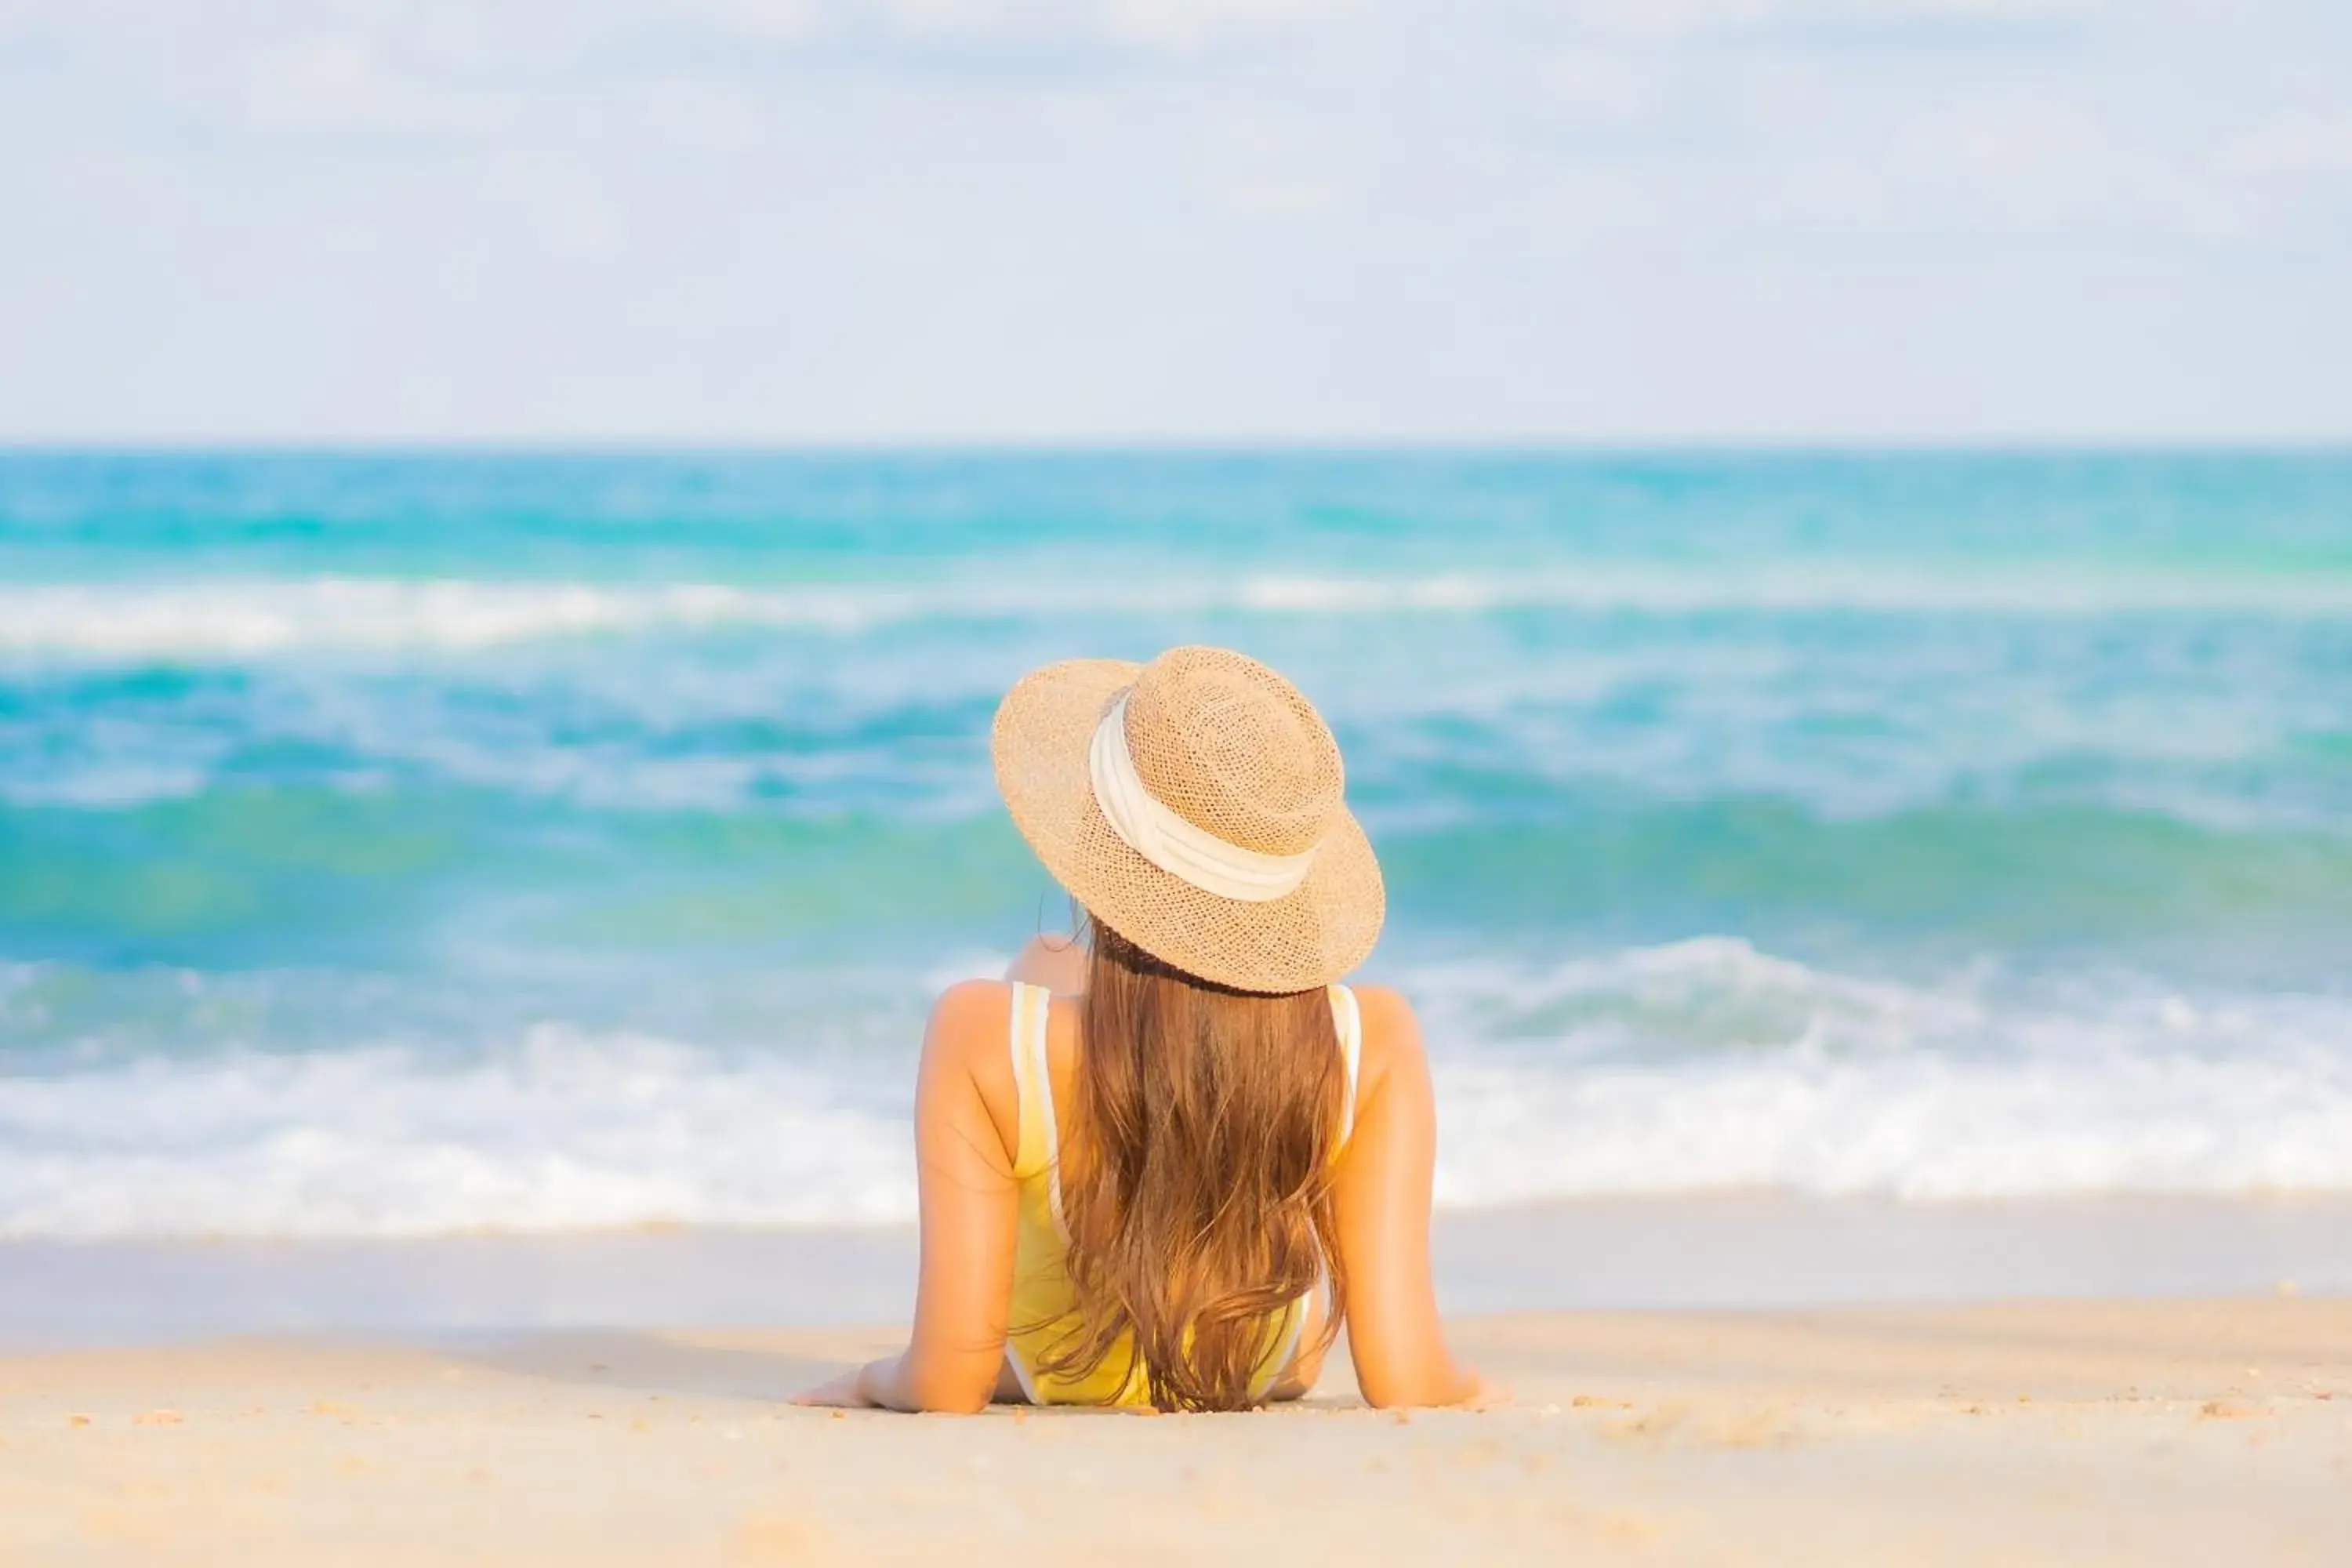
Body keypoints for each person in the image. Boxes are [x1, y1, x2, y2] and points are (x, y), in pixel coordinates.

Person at [793, 646, 1487, 1413]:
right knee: (1055, 964)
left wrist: (868, 1376)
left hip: (1051, 1363)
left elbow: (947, 1381)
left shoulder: (977, 1033)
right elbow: (1408, 1376)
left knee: (1042, 972)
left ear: (1096, 840)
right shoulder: (1375, 1035)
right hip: (1258, 1363)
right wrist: (1470, 1385)